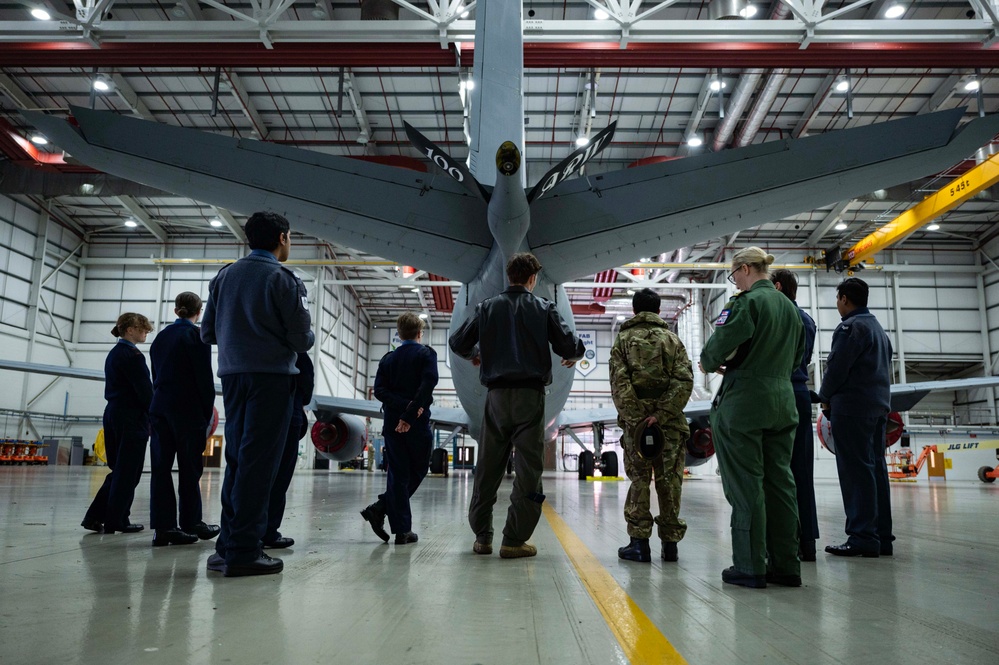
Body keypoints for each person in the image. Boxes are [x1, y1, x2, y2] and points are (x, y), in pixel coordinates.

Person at [200, 211, 314, 577]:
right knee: (260, 465)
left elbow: (208, 334)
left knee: (236, 460)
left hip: (233, 377)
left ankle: (227, 546)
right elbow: (301, 339)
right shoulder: (283, 279)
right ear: (282, 237)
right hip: (271, 380)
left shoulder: (225, 276)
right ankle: (246, 550)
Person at [449, 252, 584, 559]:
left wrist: (474, 353)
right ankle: (514, 539)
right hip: (529, 397)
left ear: (509, 276)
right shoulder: (543, 308)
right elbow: (570, 345)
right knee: (528, 470)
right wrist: (574, 355)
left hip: (495, 398)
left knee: (487, 467)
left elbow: (457, 342)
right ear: (533, 278)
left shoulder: (486, 307)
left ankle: (482, 536)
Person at [699, 247, 804, 589]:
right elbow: (797, 357)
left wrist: (709, 362)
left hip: (745, 402)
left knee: (747, 484)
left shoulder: (745, 303)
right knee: (781, 484)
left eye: (735, 275)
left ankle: (750, 565)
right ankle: (787, 565)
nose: (736, 282)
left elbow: (716, 349)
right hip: (783, 400)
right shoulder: (790, 308)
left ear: (744, 269)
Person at [609, 288, 693, 564]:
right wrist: (661, 414)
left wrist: (638, 419)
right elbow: (684, 382)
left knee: (639, 481)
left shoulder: (623, 341)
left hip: (637, 429)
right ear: (658, 311)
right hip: (668, 426)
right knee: (669, 483)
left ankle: (639, 544)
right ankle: (670, 546)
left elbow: (620, 386)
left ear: (634, 310)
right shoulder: (672, 341)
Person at [818, 277, 895, 558]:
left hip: (852, 410)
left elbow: (837, 369)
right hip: (877, 410)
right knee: (875, 471)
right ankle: (881, 537)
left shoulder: (850, 328)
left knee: (855, 473)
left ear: (844, 299)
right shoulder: (877, 329)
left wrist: (824, 396)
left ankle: (862, 537)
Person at [148, 292, 220, 547]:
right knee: (189, 469)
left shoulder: (160, 338)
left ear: (176, 310)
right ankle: (191, 522)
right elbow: (204, 379)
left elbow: (155, 374)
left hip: (159, 408)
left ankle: (163, 528)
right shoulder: (196, 336)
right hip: (186, 410)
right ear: (198, 312)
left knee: (160, 469)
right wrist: (205, 413)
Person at [361, 312, 439, 545]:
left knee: (398, 474)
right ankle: (394, 522)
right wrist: (410, 411)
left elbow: (380, 391)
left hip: (392, 425)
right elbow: (428, 385)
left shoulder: (387, 359)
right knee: (418, 470)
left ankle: (389, 516)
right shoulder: (427, 354)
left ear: (399, 334)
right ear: (419, 333)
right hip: (417, 423)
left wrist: (402, 410)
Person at [81, 312, 154, 535]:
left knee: (120, 470)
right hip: (130, 417)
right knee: (129, 472)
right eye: (142, 329)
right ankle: (117, 520)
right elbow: (145, 391)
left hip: (114, 413)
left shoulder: (115, 353)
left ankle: (95, 516)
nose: (145, 333)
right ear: (130, 330)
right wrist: (156, 414)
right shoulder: (132, 355)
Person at [770, 269, 819, 562]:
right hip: (800, 392)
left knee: (773, 473)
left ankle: (778, 543)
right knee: (802, 472)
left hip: (777, 391)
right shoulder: (807, 320)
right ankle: (807, 543)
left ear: (777, 287)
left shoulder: (775, 317)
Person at [264, 351, 315, 549]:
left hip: (261, 417)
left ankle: (246, 529)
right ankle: (269, 531)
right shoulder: (298, 355)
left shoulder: (263, 349)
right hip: (289, 417)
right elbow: (306, 387)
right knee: (280, 478)